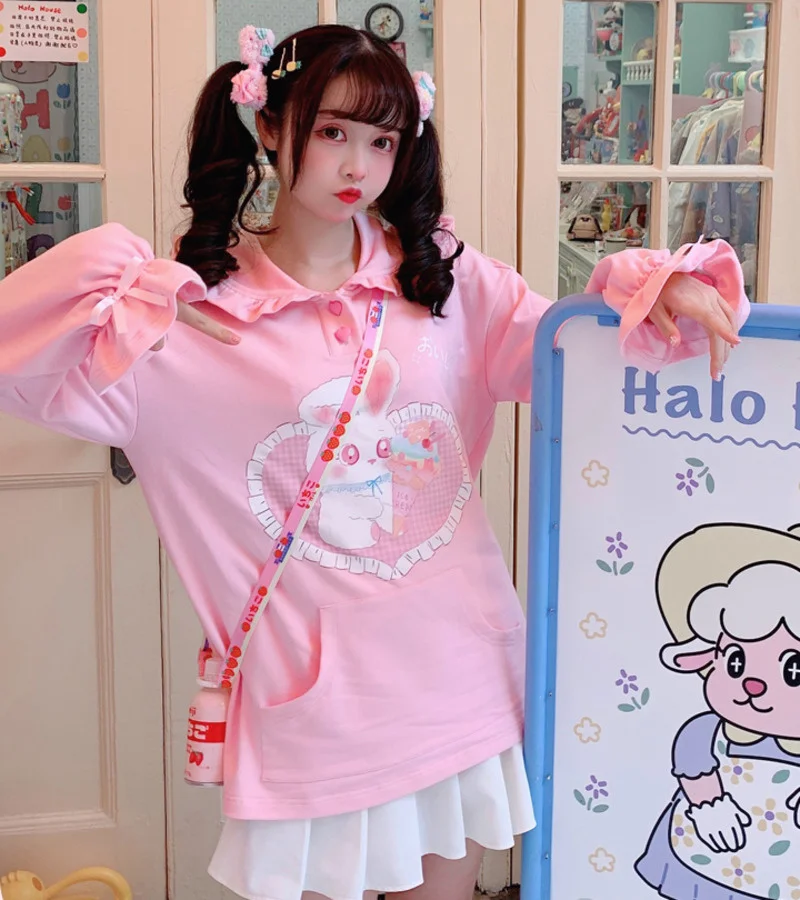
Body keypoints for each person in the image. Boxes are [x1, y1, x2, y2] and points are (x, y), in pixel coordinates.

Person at [0, 23, 748, 900]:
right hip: (316, 718)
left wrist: (661, 291)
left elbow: (583, 357)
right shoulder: (186, 316)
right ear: (269, 125)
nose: (359, 164)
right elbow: (17, 357)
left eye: (383, 140)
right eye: (331, 132)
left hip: (455, 684)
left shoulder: (447, 284)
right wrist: (122, 281)